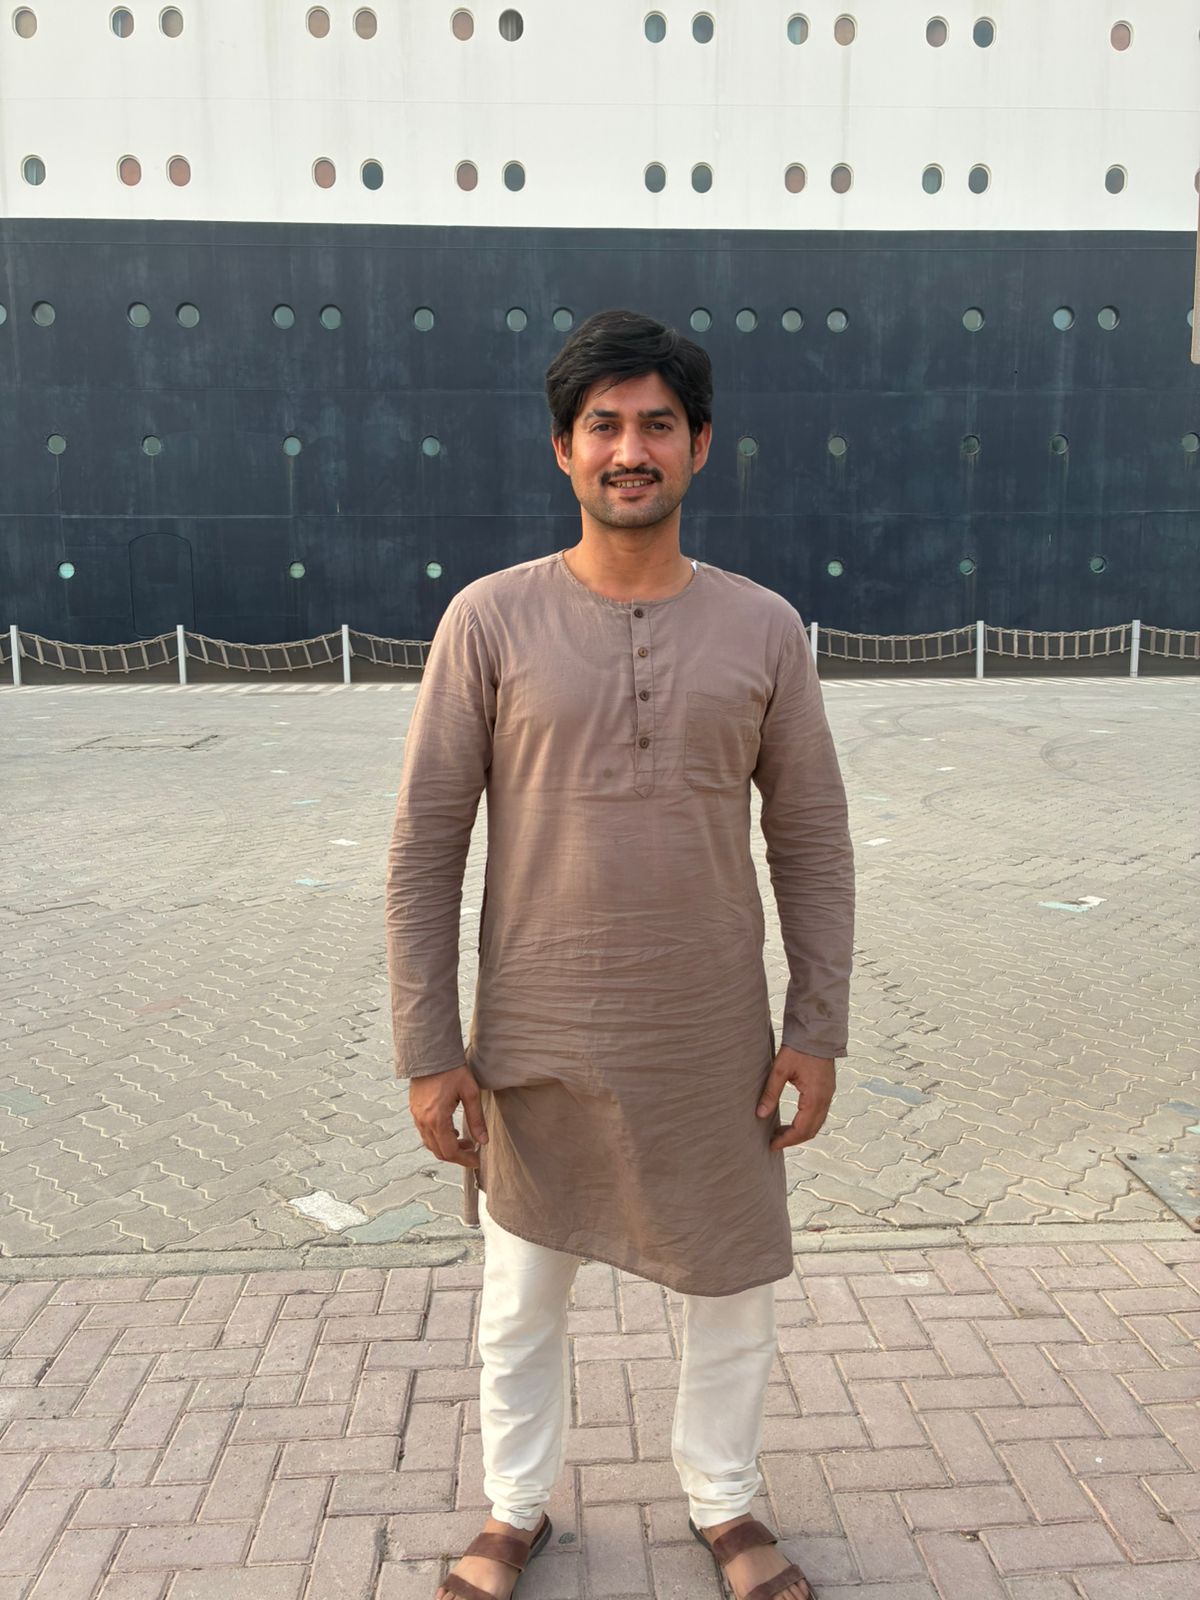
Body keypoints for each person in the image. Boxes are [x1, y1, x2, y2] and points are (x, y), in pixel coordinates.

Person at [386, 309, 855, 1600]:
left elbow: (813, 841)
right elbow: (425, 846)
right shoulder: (488, 622)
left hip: (713, 1040)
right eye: (604, 426)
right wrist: (430, 1049)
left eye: (657, 425)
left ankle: (725, 1503)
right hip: (536, 1040)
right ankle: (515, 1509)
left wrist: (816, 1027)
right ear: (564, 449)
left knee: (733, 1288)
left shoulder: (765, 629)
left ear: (701, 445)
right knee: (520, 1298)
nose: (629, 450)